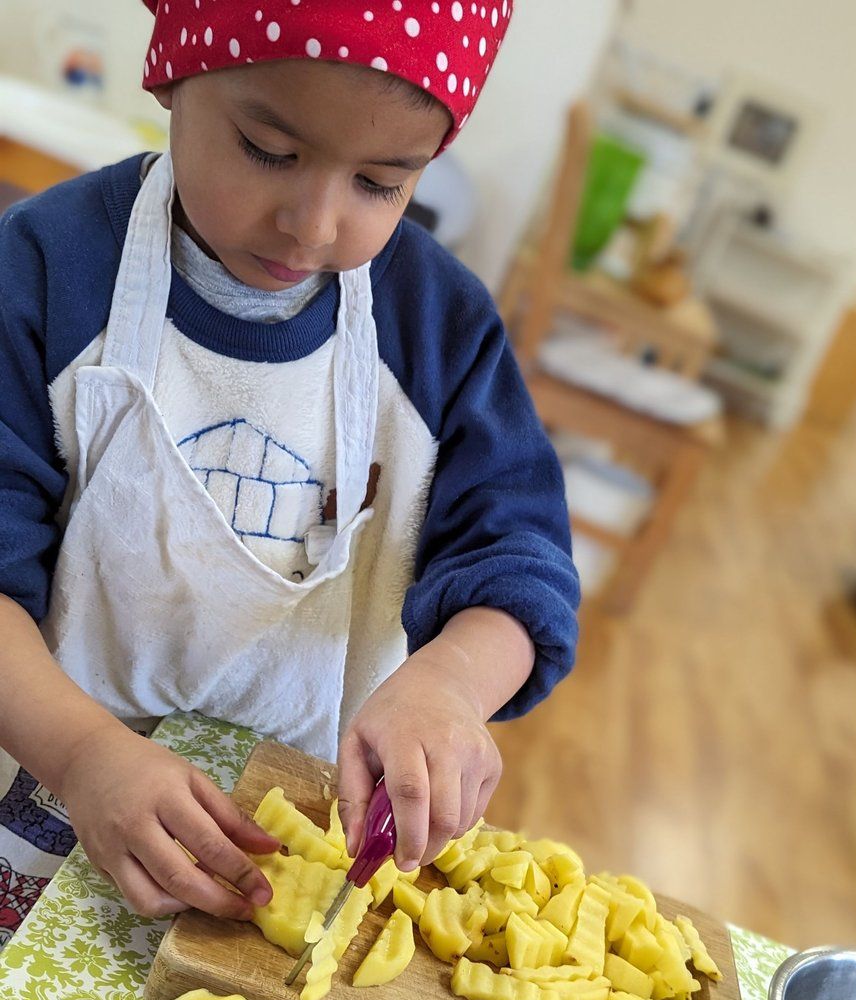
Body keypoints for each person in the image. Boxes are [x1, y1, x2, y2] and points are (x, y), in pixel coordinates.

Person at [0, 0, 579, 947]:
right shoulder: (46, 270)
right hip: (45, 796)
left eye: (381, 184)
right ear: (174, 75)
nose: (313, 223)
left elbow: (519, 557)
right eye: (269, 150)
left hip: (289, 865)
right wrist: (83, 754)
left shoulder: (441, 331)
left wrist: (451, 685)